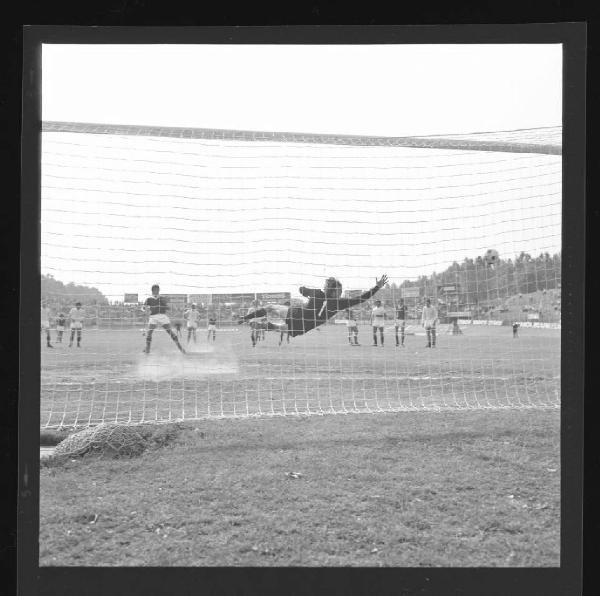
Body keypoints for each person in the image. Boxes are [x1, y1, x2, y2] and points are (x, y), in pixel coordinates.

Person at [239, 275, 388, 339]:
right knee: (277, 328)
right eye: (339, 290)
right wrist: (377, 287)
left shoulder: (316, 293)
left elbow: (301, 290)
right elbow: (362, 298)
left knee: (271, 307)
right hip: (304, 327)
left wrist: (305, 290)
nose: (341, 292)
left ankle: (246, 318)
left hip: (296, 314)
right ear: (335, 291)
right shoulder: (339, 303)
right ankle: (260, 325)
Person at [142, 285, 186, 354]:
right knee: (149, 333)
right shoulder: (149, 299)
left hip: (162, 316)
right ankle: (147, 349)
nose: (157, 291)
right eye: (155, 290)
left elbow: (167, 306)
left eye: (158, 290)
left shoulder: (162, 298)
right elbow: (143, 307)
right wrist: (144, 310)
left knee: (170, 332)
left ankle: (180, 348)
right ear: (152, 291)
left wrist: (173, 309)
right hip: (153, 317)